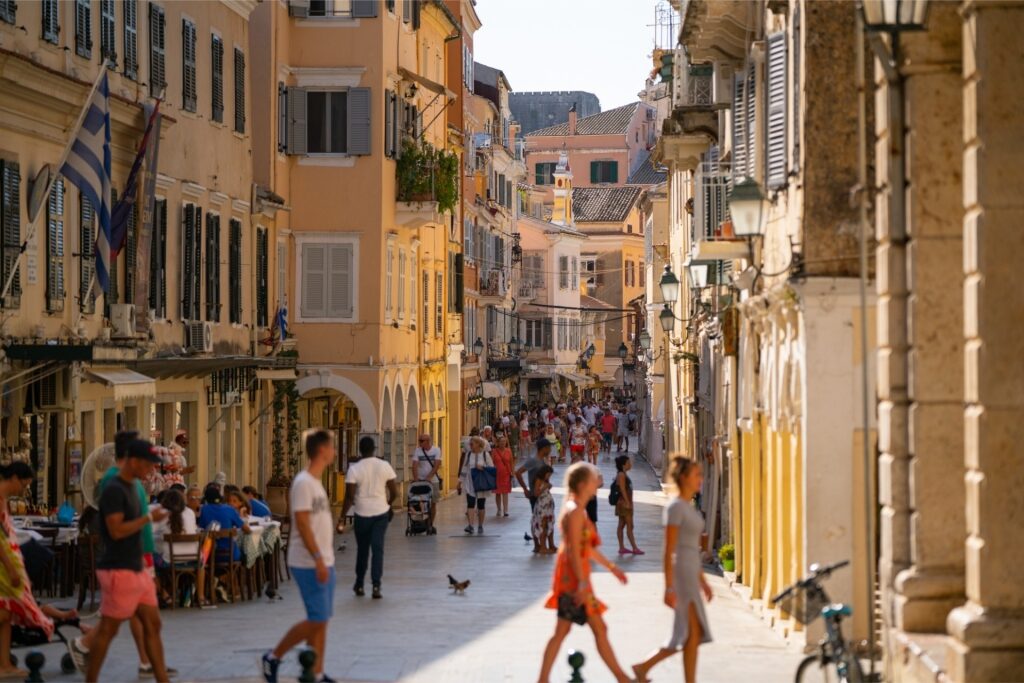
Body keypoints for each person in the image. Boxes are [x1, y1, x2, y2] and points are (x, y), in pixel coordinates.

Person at [74, 431, 176, 679]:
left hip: (137, 566)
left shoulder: (132, 486)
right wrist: (148, 518)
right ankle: (91, 677)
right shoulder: (114, 488)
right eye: (148, 464)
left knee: (153, 624)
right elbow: (116, 530)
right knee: (109, 630)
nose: (152, 470)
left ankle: (161, 677)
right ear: (133, 460)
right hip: (119, 568)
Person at [537, 463, 631, 683]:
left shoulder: (576, 508)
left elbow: (585, 547)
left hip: (576, 580)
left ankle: (622, 678)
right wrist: (580, 584)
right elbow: (572, 549)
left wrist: (612, 568)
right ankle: (622, 678)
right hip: (574, 582)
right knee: (575, 631)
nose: (597, 482)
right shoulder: (575, 511)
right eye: (593, 479)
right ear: (582, 484)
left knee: (571, 631)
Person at [263, 430, 338, 683]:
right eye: (332, 447)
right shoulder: (304, 482)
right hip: (308, 561)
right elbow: (303, 524)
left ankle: (317, 672)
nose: (335, 452)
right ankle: (273, 657)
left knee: (322, 620)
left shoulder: (315, 482)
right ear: (322, 451)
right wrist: (317, 557)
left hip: (324, 560)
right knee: (317, 617)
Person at [632, 457, 713, 683]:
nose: (701, 479)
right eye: (697, 475)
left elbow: (691, 548)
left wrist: (703, 580)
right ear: (684, 477)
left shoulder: (687, 505)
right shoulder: (676, 507)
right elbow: (669, 548)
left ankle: (646, 668)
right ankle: (644, 667)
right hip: (682, 573)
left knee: (692, 634)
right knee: (687, 633)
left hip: (690, 568)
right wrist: (668, 587)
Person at [0, 462, 84, 679]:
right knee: (8, 611)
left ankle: (4, 664)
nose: (23, 491)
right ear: (15, 478)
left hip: (9, 564)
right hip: (4, 567)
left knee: (7, 614)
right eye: (24, 485)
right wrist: (10, 568)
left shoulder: (4, 501)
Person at [340, 437, 397, 600]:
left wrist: (341, 518)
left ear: (360, 449)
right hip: (381, 514)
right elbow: (394, 492)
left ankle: (359, 584)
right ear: (374, 449)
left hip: (362, 514)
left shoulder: (354, 469)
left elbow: (349, 496)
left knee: (363, 550)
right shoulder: (384, 466)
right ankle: (376, 585)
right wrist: (387, 503)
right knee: (378, 548)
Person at [198, 484, 250, 563]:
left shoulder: (204, 509)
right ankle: (231, 575)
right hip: (230, 554)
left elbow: (200, 528)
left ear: (206, 500)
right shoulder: (229, 509)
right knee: (245, 554)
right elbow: (246, 529)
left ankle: (217, 575)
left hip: (210, 554)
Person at [150, 488, 198, 569]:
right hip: (193, 560)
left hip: (169, 562)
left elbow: (150, 532)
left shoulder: (163, 514)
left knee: (150, 555)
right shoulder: (190, 513)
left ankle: (158, 581)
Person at [457, 436, 494, 535]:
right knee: (470, 503)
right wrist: (459, 482)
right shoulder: (468, 455)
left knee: (481, 505)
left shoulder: (485, 455)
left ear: (478, 444)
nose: (470, 446)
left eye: (472, 444)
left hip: (482, 483)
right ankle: (471, 525)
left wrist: (483, 467)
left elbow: (492, 468)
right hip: (470, 483)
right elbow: (464, 469)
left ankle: (480, 525)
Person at [411, 433, 442, 532]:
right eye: (419, 440)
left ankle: (430, 524)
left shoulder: (436, 450)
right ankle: (420, 523)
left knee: (433, 503)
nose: (419, 442)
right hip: (420, 480)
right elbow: (414, 465)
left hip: (433, 481)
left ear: (428, 441)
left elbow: (436, 465)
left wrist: (430, 477)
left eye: (421, 441)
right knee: (420, 502)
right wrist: (416, 478)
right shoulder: (417, 450)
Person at [613, 456, 643, 556]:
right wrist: (627, 502)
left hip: (624, 503)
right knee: (630, 526)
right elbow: (622, 489)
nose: (630, 464)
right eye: (628, 462)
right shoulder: (621, 475)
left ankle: (622, 547)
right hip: (624, 504)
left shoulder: (623, 474)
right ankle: (634, 548)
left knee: (622, 525)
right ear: (623, 464)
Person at [530, 465, 556, 555]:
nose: (549, 477)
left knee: (548, 525)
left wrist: (548, 486)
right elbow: (536, 493)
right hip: (542, 507)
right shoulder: (538, 480)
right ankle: (542, 547)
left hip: (547, 507)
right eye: (548, 474)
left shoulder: (544, 481)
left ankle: (550, 545)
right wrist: (545, 487)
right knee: (542, 526)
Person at [491, 433, 514, 517]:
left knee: (505, 492)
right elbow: (491, 462)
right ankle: (499, 509)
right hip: (497, 475)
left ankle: (506, 510)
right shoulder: (494, 451)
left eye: (504, 441)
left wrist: (513, 473)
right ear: (498, 442)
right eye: (501, 442)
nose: (503, 443)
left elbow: (511, 463)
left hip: (506, 474)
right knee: (498, 493)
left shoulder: (508, 451)